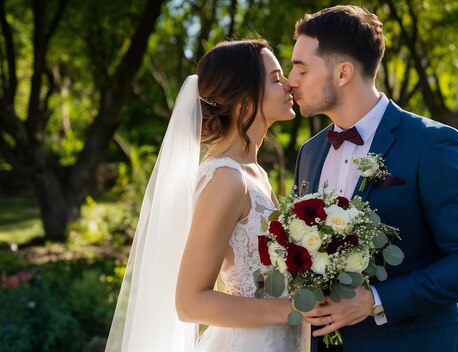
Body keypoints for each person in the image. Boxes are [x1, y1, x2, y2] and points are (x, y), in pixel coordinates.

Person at [288, 5, 458, 352]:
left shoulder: (433, 144)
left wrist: (374, 299)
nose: (291, 80)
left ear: (342, 72)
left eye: (301, 69)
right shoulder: (309, 153)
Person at [106, 39, 308, 351]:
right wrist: (293, 310)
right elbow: (190, 303)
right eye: (275, 78)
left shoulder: (254, 172)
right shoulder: (226, 179)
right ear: (242, 100)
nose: (289, 86)